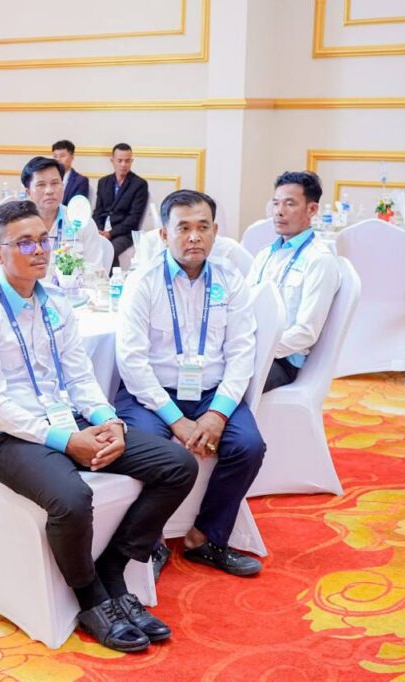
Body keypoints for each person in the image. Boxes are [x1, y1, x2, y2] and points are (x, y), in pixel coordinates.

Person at [0, 200, 198, 652]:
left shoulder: (57, 304)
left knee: (178, 465)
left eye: (43, 240)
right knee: (72, 498)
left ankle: (113, 568)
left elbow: (81, 379)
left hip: (68, 420)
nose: (39, 251)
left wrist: (109, 422)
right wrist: (67, 442)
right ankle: (91, 598)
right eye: (25, 243)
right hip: (6, 439)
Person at [114, 189, 266, 578]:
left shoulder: (231, 280)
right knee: (145, 450)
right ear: (164, 234)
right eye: (183, 228)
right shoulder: (143, 282)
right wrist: (175, 420)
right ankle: (151, 544)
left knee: (248, 447)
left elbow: (241, 352)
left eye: (203, 227)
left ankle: (205, 538)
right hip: (150, 395)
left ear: (215, 231)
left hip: (210, 393)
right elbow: (131, 362)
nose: (194, 237)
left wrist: (218, 413)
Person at [248, 171, 341, 392]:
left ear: (312, 209)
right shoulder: (266, 254)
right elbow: (244, 303)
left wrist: (259, 348)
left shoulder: (319, 260)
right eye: (276, 203)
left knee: (221, 383)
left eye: (289, 204)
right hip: (250, 348)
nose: (279, 211)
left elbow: (306, 332)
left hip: (282, 361)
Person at [21, 156, 108, 274]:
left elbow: (95, 270)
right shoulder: (18, 225)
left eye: (55, 183)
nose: (49, 191)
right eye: (41, 185)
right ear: (28, 192)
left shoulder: (81, 221)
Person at [93, 144, 149, 268]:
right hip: (101, 230)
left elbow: (134, 218)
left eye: (127, 161)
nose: (123, 164)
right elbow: (98, 211)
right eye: (120, 160)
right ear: (112, 161)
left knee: (108, 251)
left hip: (124, 234)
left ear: (131, 161)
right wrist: (98, 230)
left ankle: (110, 278)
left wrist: (110, 233)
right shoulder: (103, 182)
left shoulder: (139, 184)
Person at [51, 140, 89, 205]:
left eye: (62, 156)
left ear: (72, 157)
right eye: (55, 156)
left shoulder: (80, 181)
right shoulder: (48, 178)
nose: (58, 159)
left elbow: (77, 205)